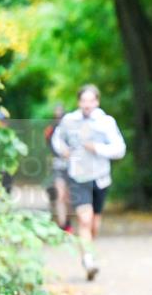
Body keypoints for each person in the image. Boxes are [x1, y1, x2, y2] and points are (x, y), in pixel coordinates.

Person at [51, 85, 126, 280]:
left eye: (90, 101)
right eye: (83, 101)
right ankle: (89, 261)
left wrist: (98, 148)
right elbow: (57, 139)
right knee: (84, 219)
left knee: (94, 225)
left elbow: (120, 149)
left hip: (100, 178)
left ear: (97, 102)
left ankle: (88, 251)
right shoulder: (69, 121)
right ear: (79, 102)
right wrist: (63, 150)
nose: (87, 105)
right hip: (77, 176)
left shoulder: (106, 122)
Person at [44, 103, 72, 232]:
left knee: (68, 196)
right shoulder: (51, 129)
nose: (58, 116)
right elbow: (49, 146)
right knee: (60, 195)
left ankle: (68, 221)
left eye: (60, 114)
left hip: (72, 166)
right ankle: (63, 225)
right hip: (58, 165)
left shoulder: (72, 129)